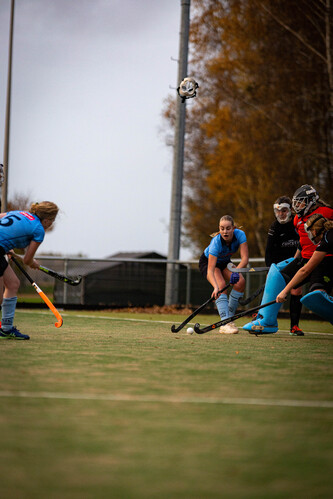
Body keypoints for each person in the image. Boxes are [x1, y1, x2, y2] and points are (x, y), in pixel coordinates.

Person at [243, 184, 333, 334]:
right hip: (305, 259)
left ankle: (296, 323)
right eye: (296, 202)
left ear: (310, 201)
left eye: (300, 202)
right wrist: (294, 260)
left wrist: (284, 292)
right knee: (276, 273)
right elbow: (301, 243)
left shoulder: (327, 212)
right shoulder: (296, 218)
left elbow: (305, 269)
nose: (297, 206)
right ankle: (266, 320)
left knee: (316, 296)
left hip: (324, 260)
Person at [0, 201, 59, 340]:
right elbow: (27, 260)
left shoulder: (21, 213)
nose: (52, 223)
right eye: (52, 220)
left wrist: (6, 243)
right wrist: (34, 264)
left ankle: (6, 329)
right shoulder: (38, 230)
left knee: (13, 284)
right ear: (47, 220)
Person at [276, 214, 333, 323]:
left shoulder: (327, 240)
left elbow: (305, 270)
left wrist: (284, 291)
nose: (309, 235)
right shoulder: (329, 236)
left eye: (309, 232)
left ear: (315, 231)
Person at [199, 215, 249, 334]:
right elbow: (210, 270)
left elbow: (245, 259)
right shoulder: (216, 242)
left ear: (233, 228)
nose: (225, 231)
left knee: (240, 282)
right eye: (222, 228)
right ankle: (225, 322)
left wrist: (237, 272)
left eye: (228, 228)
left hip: (225, 262)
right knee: (221, 286)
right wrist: (215, 287)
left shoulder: (240, 235)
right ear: (219, 229)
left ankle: (229, 320)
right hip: (209, 263)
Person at [265, 196, 303, 335]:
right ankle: (262, 317)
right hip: (278, 266)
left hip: (296, 262)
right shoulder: (274, 227)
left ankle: (294, 326)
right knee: (272, 291)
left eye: (284, 210)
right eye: (278, 211)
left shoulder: (297, 223)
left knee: (296, 290)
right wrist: (270, 269)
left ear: (290, 210)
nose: (281, 214)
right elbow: (268, 252)